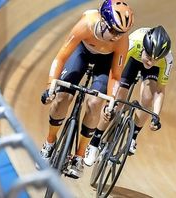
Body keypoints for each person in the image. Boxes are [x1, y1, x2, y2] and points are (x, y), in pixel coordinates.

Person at [40, 0, 134, 179]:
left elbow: (115, 75)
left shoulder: (122, 41)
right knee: (61, 98)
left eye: (121, 32)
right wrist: (50, 85)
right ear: (103, 21)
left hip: (104, 64)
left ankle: (79, 156)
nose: (116, 37)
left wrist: (111, 101)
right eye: (114, 30)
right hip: (81, 53)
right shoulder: (86, 24)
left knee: (95, 103)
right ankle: (49, 143)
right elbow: (61, 57)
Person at [84, 25, 173, 166]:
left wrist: (155, 115)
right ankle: (94, 143)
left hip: (152, 70)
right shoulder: (132, 43)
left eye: (156, 59)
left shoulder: (166, 59)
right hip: (131, 60)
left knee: (148, 97)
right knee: (118, 100)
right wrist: (111, 104)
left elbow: (160, 90)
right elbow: (116, 77)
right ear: (143, 47)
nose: (151, 62)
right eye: (149, 57)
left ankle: (133, 136)